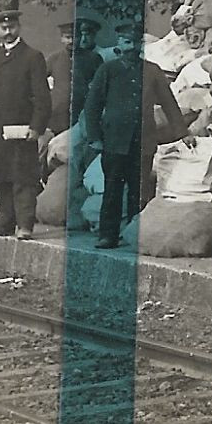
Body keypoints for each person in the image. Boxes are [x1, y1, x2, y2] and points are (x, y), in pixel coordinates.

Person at [83, 20, 190, 250]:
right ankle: (108, 235)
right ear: (119, 44)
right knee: (112, 189)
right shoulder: (107, 70)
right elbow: (92, 107)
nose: (130, 47)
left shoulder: (152, 71)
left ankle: (135, 236)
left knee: (138, 190)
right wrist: (95, 138)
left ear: (140, 44)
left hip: (144, 141)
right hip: (113, 142)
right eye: (125, 42)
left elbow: (169, 104)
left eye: (134, 42)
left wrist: (183, 132)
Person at [0, 4, 50, 241]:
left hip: (21, 129)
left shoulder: (32, 56)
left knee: (23, 179)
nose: (7, 31)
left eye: (11, 26)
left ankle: (25, 225)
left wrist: (36, 127)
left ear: (18, 27)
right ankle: (5, 223)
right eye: (3, 27)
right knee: (1, 177)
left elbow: (41, 97)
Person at [47, 17, 103, 135]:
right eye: (67, 37)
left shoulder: (93, 58)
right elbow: (40, 83)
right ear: (62, 38)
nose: (71, 41)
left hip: (82, 110)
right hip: (58, 113)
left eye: (75, 37)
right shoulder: (53, 58)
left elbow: (100, 84)